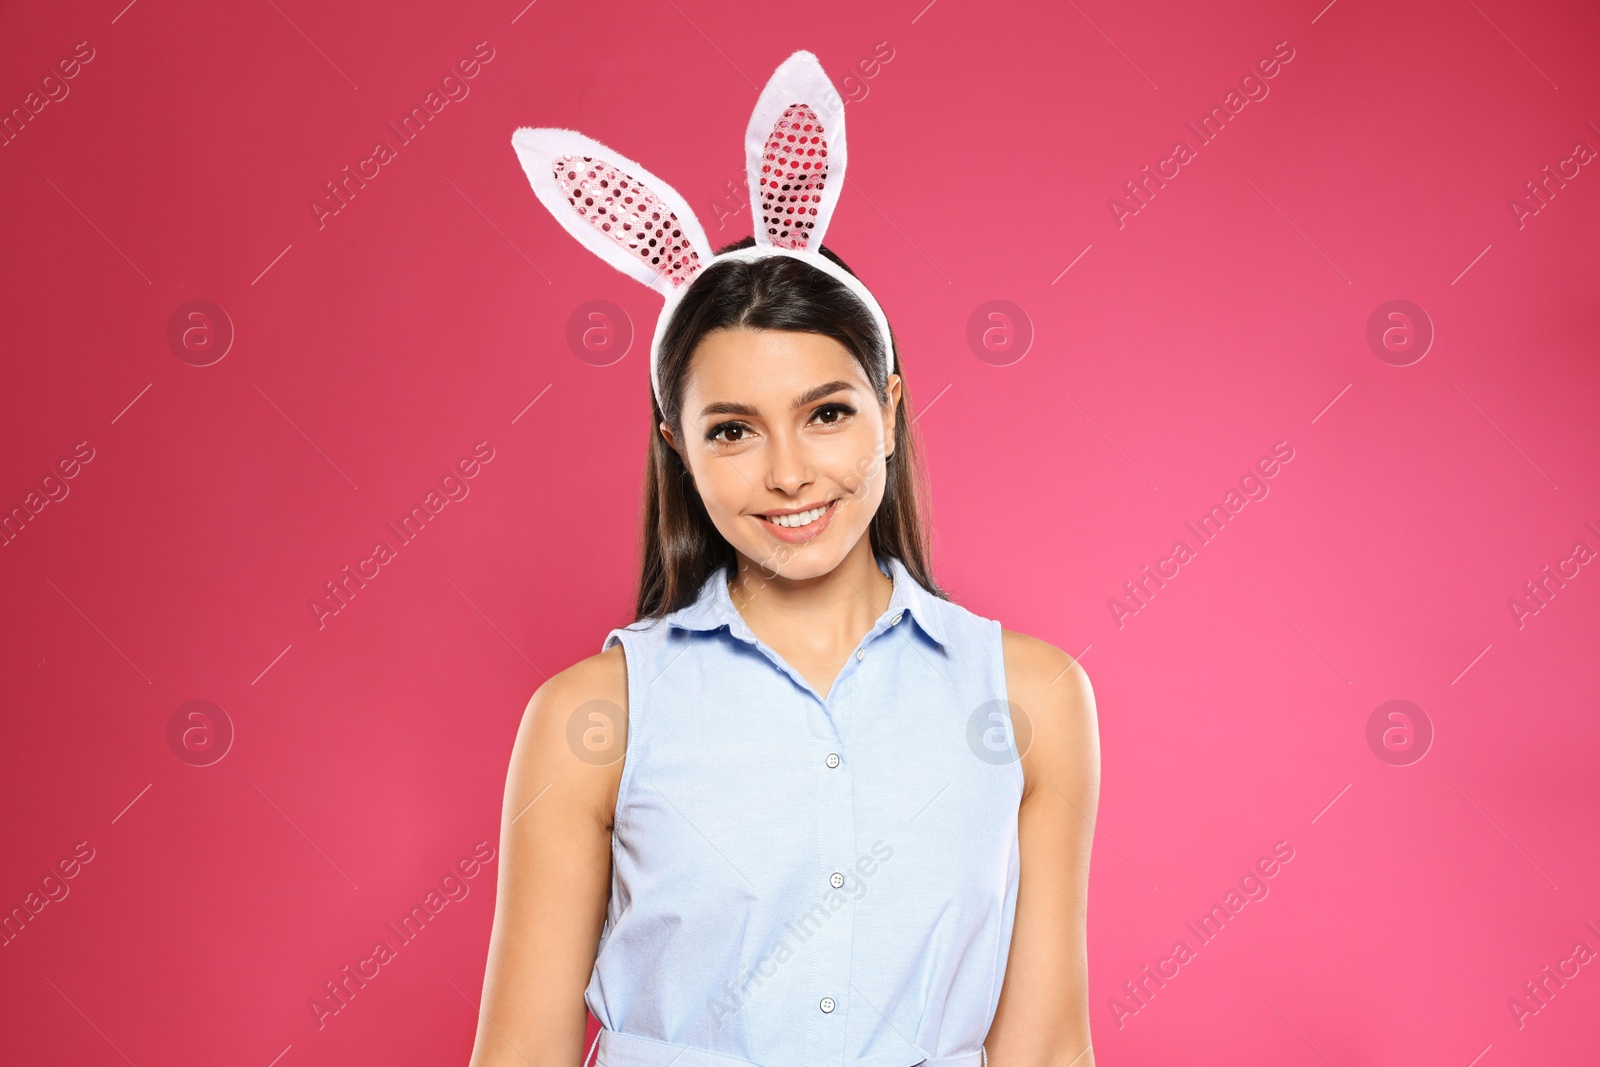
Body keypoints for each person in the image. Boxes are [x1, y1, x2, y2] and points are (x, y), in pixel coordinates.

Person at [473, 51, 1098, 1067]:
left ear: (888, 413)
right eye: (732, 430)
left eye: (826, 413)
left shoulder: (1031, 697)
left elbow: (1047, 1047)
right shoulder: (590, 718)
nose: (790, 471)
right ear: (677, 446)